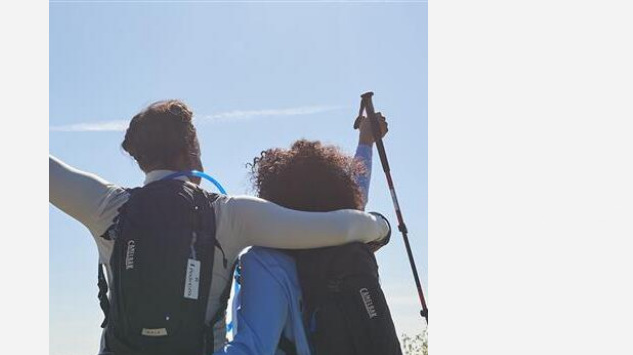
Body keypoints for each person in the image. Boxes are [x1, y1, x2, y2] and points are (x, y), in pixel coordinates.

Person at [49, 99, 391, 354]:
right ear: (192, 150)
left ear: (139, 157)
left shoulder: (107, 206)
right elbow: (337, 223)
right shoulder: (230, 215)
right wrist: (379, 228)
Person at [216, 113, 392, 355]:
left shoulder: (266, 261)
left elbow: (253, 349)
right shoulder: (346, 243)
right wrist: (366, 141)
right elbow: (357, 197)